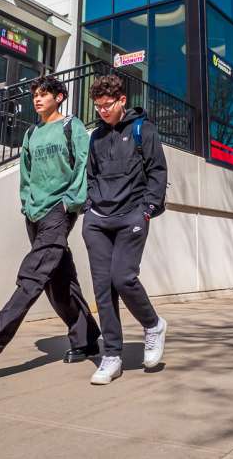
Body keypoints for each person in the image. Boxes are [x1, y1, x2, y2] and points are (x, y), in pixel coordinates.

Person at [0, 76, 100, 381]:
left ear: (59, 97)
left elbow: (84, 166)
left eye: (44, 94)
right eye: (35, 95)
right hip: (35, 212)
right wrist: (27, 204)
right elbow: (26, 174)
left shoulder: (73, 127)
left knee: (32, 276)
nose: (37, 99)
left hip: (60, 209)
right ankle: (86, 339)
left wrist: (70, 202)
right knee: (58, 283)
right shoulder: (31, 133)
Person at [83, 74, 168, 386]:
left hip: (131, 214)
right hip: (97, 219)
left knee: (123, 277)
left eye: (107, 105)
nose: (103, 111)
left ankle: (153, 325)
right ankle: (112, 355)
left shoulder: (141, 130)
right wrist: (88, 206)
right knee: (103, 287)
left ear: (121, 100)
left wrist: (147, 210)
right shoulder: (96, 137)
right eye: (98, 107)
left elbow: (157, 170)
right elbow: (90, 174)